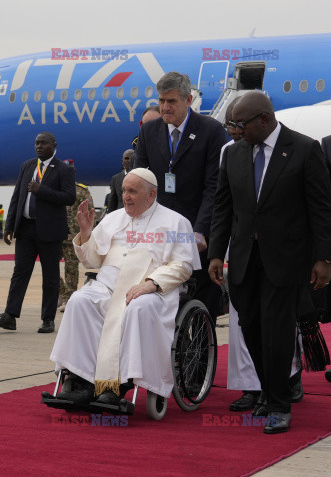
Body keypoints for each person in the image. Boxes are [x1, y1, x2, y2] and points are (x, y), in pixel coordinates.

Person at [208, 91, 331, 434]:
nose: (234, 130)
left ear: (264, 119)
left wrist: (324, 258)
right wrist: (216, 253)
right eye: (230, 123)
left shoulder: (305, 149)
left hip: (287, 260)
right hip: (245, 259)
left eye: (240, 124)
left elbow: (321, 210)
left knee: (276, 332)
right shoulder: (232, 154)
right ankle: (269, 389)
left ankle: (279, 403)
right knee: (251, 328)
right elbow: (223, 208)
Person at [49, 168, 200, 405]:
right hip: (107, 287)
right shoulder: (112, 218)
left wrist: (151, 284)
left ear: (151, 195)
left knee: (137, 309)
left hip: (149, 289)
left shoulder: (177, 222)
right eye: (124, 191)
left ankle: (121, 384)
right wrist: (87, 234)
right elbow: (92, 261)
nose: (126, 196)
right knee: (79, 301)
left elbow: (184, 265)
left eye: (132, 191)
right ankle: (81, 379)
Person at [134, 71, 227, 321]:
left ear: (188, 99)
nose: (165, 107)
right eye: (162, 100)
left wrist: (201, 230)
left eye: (172, 101)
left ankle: (199, 356)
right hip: (159, 233)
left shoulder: (211, 131)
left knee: (199, 305)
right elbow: (140, 181)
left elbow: (213, 187)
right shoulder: (149, 132)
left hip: (198, 232)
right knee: (159, 301)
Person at [0, 132, 76, 333]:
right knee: (20, 273)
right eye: (36, 143)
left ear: (54, 145)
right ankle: (10, 315)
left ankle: (48, 319)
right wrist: (9, 226)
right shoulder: (27, 166)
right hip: (25, 228)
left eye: (43, 143)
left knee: (50, 276)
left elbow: (69, 197)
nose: (39, 146)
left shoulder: (64, 169)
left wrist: (40, 190)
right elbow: (17, 196)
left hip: (50, 232)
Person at [58, 159, 94, 312]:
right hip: (54, 233)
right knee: (51, 267)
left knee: (71, 269)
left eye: (70, 170)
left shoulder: (81, 190)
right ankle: (61, 293)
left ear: (74, 172)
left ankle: (69, 298)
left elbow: (90, 211)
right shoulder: (53, 189)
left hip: (73, 235)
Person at [129, 106, 161, 170]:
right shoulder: (135, 158)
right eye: (145, 125)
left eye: (155, 125)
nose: (149, 129)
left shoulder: (174, 151)